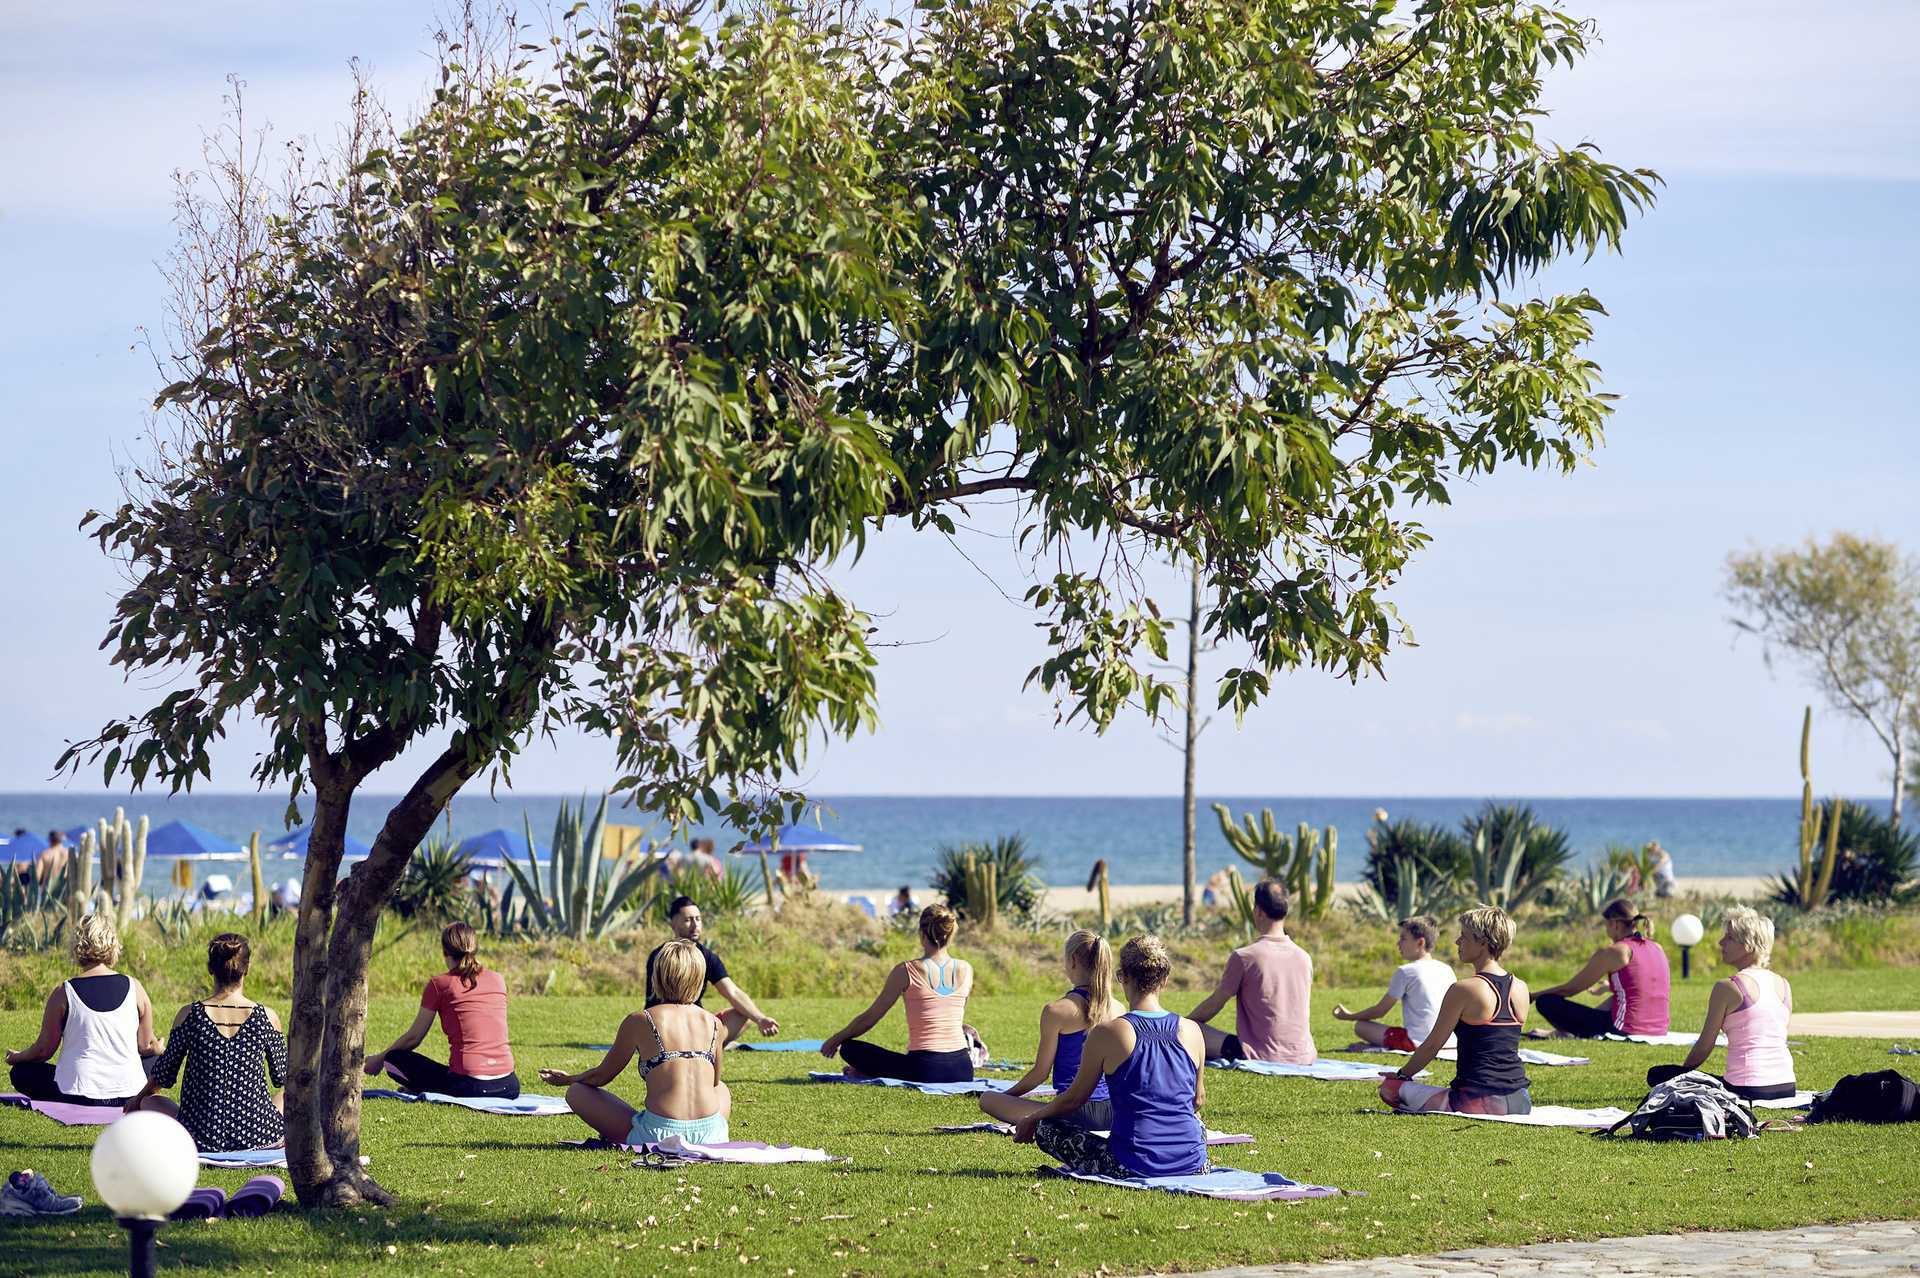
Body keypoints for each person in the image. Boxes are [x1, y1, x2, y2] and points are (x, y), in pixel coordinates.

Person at [1012, 934, 1207, 1179]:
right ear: (1165, 980)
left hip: (1131, 1164)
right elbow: (1197, 1100)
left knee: (1047, 1126)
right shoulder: (1193, 1030)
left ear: (1121, 977)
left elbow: (1074, 1100)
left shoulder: (1108, 1032)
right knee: (1196, 1122)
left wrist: (1033, 1117)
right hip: (1194, 1164)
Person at [543, 939, 731, 1145]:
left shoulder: (642, 1020)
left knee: (577, 1092)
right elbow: (714, 1082)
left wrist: (569, 1079)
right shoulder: (714, 1023)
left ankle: (638, 1132)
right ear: (699, 978)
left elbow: (601, 1076)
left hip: (659, 1135)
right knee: (722, 1087)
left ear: (657, 976)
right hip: (712, 1135)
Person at [126, 934, 288, 1151]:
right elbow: (282, 1077)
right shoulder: (268, 1017)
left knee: (149, 1102)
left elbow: (163, 1076)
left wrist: (138, 1099)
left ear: (210, 969)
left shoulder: (189, 1015)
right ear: (246, 969)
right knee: (286, 1096)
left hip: (199, 1134)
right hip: (258, 1134)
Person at [1379, 906, 1533, 1116]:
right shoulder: (1521, 987)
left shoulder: (1464, 989)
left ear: (1483, 943)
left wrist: (1402, 1076)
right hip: (1521, 1100)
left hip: (1477, 1100)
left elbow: (1433, 1045)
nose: (1457, 942)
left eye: (1464, 937)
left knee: (1389, 1088)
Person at [5, 914, 159, 1105]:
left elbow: (44, 1050)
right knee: (157, 1063)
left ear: (77, 946)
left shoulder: (63, 992)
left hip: (77, 1093)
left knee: (21, 1072)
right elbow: (145, 1046)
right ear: (113, 946)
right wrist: (158, 1048)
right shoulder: (135, 987)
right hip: (129, 1092)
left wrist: (17, 1057)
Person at [1646, 906, 1795, 1100]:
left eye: (1729, 937)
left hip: (1747, 1088)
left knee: (1658, 1075)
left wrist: (1681, 1075)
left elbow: (1704, 1047)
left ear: (1748, 945)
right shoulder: (1783, 985)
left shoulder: (1728, 987)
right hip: (1786, 1086)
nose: (1720, 942)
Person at [980, 930, 1124, 1129]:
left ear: (1073, 960)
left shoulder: (1056, 1011)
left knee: (988, 1099)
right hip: (1113, 1112)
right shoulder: (1118, 1008)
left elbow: (1040, 1073)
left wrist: (1007, 1097)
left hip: (1072, 1111)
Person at [821, 903, 974, 1083]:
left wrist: (836, 1039)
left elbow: (871, 1017)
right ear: (951, 934)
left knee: (849, 1048)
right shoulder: (966, 969)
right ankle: (869, 1072)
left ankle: (867, 1071)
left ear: (922, 934)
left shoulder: (906, 970)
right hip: (963, 1068)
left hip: (926, 1070)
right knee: (900, 1062)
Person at [364, 922, 519, 1098]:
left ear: (445, 952)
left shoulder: (440, 984)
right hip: (509, 1086)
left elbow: (414, 1038)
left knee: (394, 1059)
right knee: (450, 1072)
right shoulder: (498, 980)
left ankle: (422, 1086)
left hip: (470, 1087)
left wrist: (379, 1060)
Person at [1187, 877, 1314, 1064]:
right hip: (1304, 1055)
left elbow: (1216, 1003)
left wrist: (1186, 1023)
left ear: (1258, 911)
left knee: (1189, 1030)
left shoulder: (1245, 957)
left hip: (1260, 1054)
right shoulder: (1304, 957)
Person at [646, 896, 778, 1046]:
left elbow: (732, 991)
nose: (695, 925)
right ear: (673, 923)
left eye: (698, 919)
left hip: (694, 1022)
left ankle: (704, 1043)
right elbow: (663, 1001)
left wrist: (760, 1019)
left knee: (743, 1014)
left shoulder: (706, 956)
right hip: (665, 1023)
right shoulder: (662, 956)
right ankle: (704, 1044)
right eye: (688, 920)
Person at [1533, 897, 1671, 1039]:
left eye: (1606, 925)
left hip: (1624, 1029)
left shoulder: (1617, 951)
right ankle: (1564, 1033)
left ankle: (1566, 1033)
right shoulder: (1657, 947)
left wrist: (1533, 996)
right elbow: (1642, 989)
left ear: (1615, 924)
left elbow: (1569, 989)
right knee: (1616, 999)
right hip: (1659, 1029)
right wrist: (1610, 988)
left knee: (1546, 1001)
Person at [1332, 916, 1455, 1051]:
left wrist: (1349, 1016)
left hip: (1417, 1042)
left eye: (1403, 938)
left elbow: (1380, 1011)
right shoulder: (1446, 969)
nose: (1398, 944)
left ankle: (1375, 1046)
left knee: (1360, 1026)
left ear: (1420, 943)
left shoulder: (1406, 971)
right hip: (1449, 1041)